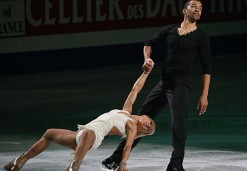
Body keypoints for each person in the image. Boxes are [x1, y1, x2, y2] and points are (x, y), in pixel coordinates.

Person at [101, 0, 212, 171]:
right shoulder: (170, 30)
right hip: (164, 82)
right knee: (142, 118)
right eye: (194, 7)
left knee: (179, 121)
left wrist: (204, 95)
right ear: (184, 10)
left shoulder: (201, 37)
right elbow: (149, 42)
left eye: (201, 8)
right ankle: (115, 158)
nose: (198, 10)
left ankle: (175, 164)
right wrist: (147, 59)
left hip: (181, 84)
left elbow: (207, 68)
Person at [3, 66, 156, 171]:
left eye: (147, 130)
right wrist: (146, 73)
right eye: (150, 124)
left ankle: (74, 166)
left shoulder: (131, 126)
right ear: (146, 116)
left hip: (93, 137)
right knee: (49, 133)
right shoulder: (126, 111)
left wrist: (123, 163)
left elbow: (128, 146)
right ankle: (21, 160)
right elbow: (135, 89)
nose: (147, 126)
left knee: (89, 133)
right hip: (80, 134)